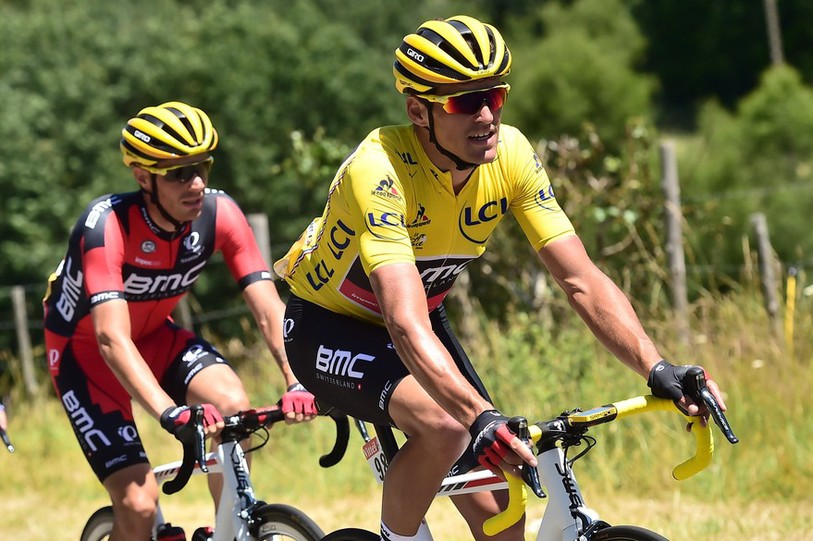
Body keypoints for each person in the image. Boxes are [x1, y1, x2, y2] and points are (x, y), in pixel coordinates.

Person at [43, 101, 317, 541]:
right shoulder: (106, 224)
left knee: (232, 405)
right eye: (178, 174)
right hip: (87, 356)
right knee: (138, 504)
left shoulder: (220, 213)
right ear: (142, 178)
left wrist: (297, 378)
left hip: (155, 338)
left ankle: (229, 529)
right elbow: (111, 338)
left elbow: (269, 307)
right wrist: (170, 413)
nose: (197, 183)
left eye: (203, 167)